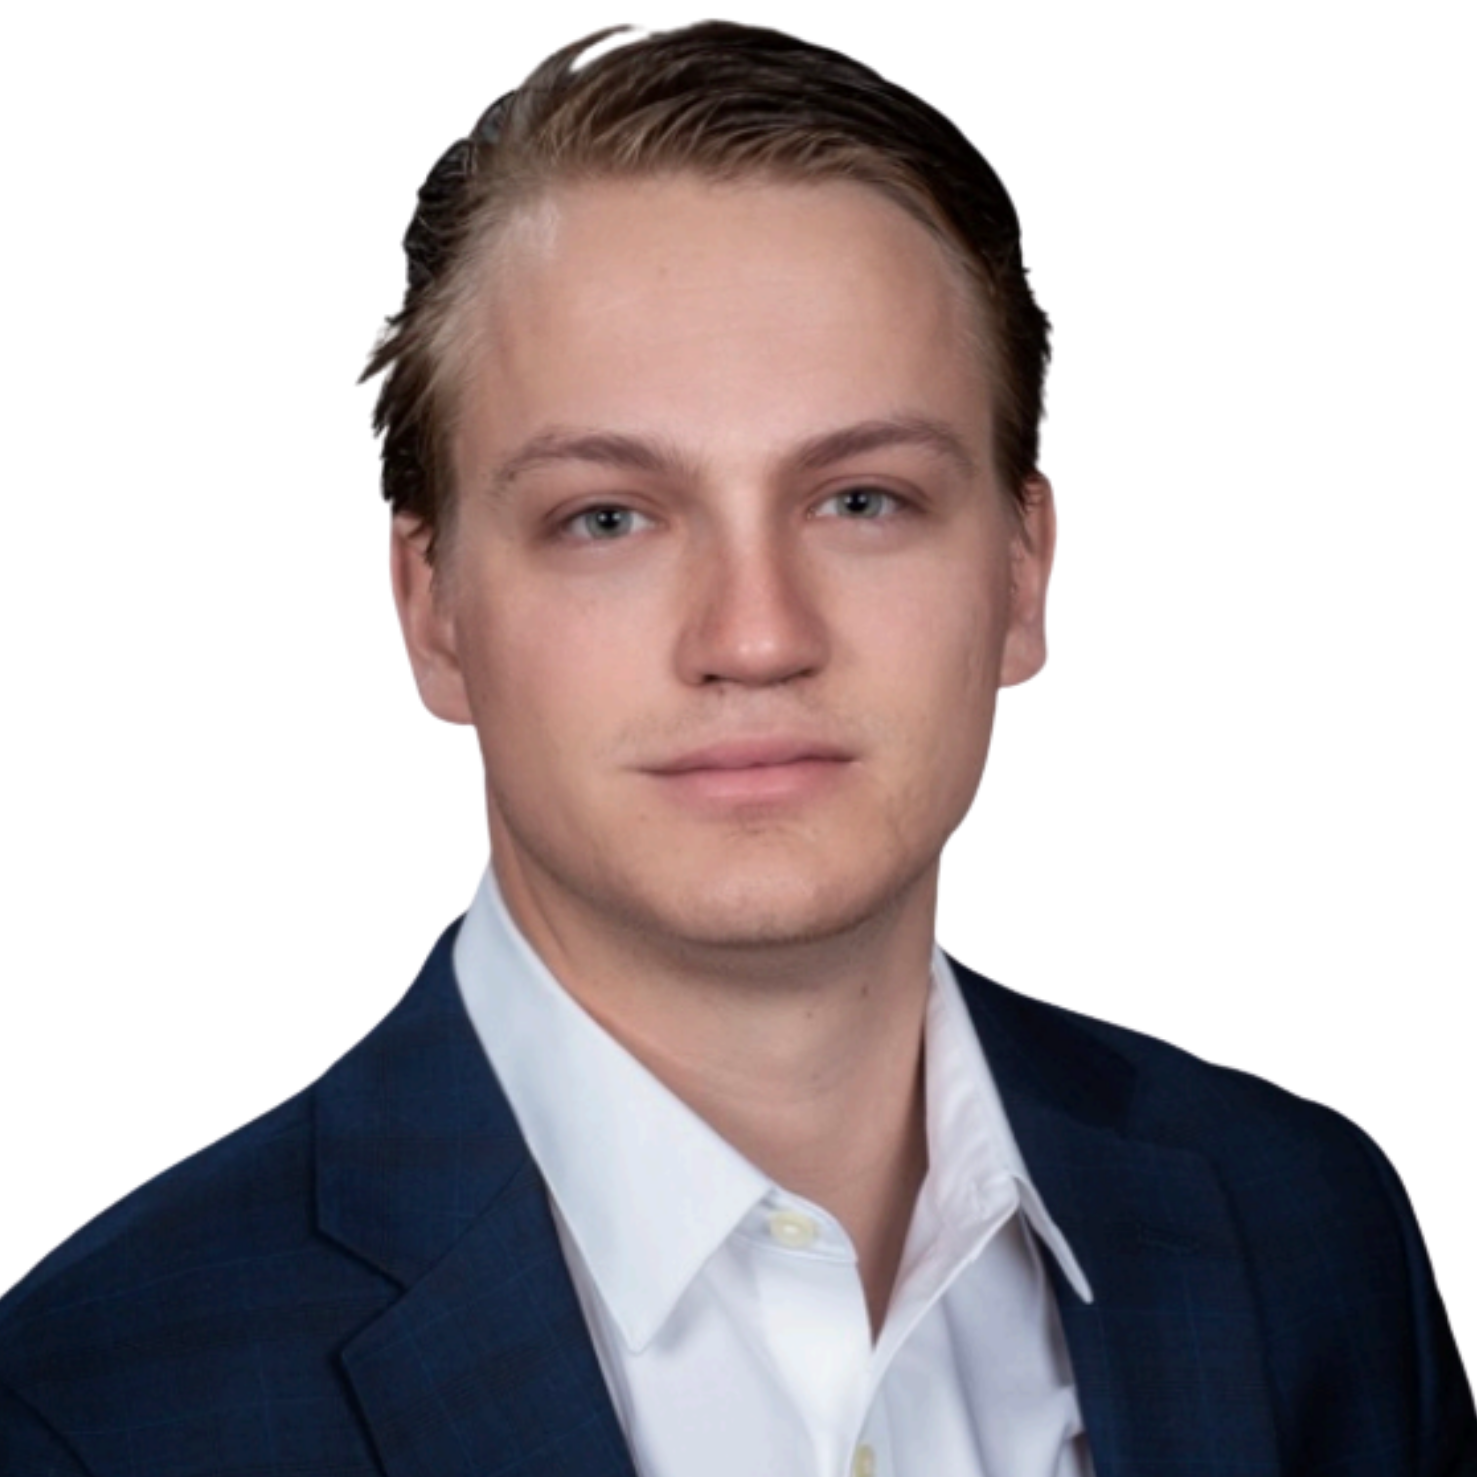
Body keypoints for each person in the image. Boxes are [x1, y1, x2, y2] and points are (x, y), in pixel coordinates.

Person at [0, 20, 1471, 1477]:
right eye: (608, 519)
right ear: (434, 610)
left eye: (862, 500)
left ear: (1020, 575)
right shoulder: (93, 1408)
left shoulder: (1302, 1242)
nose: (755, 635)